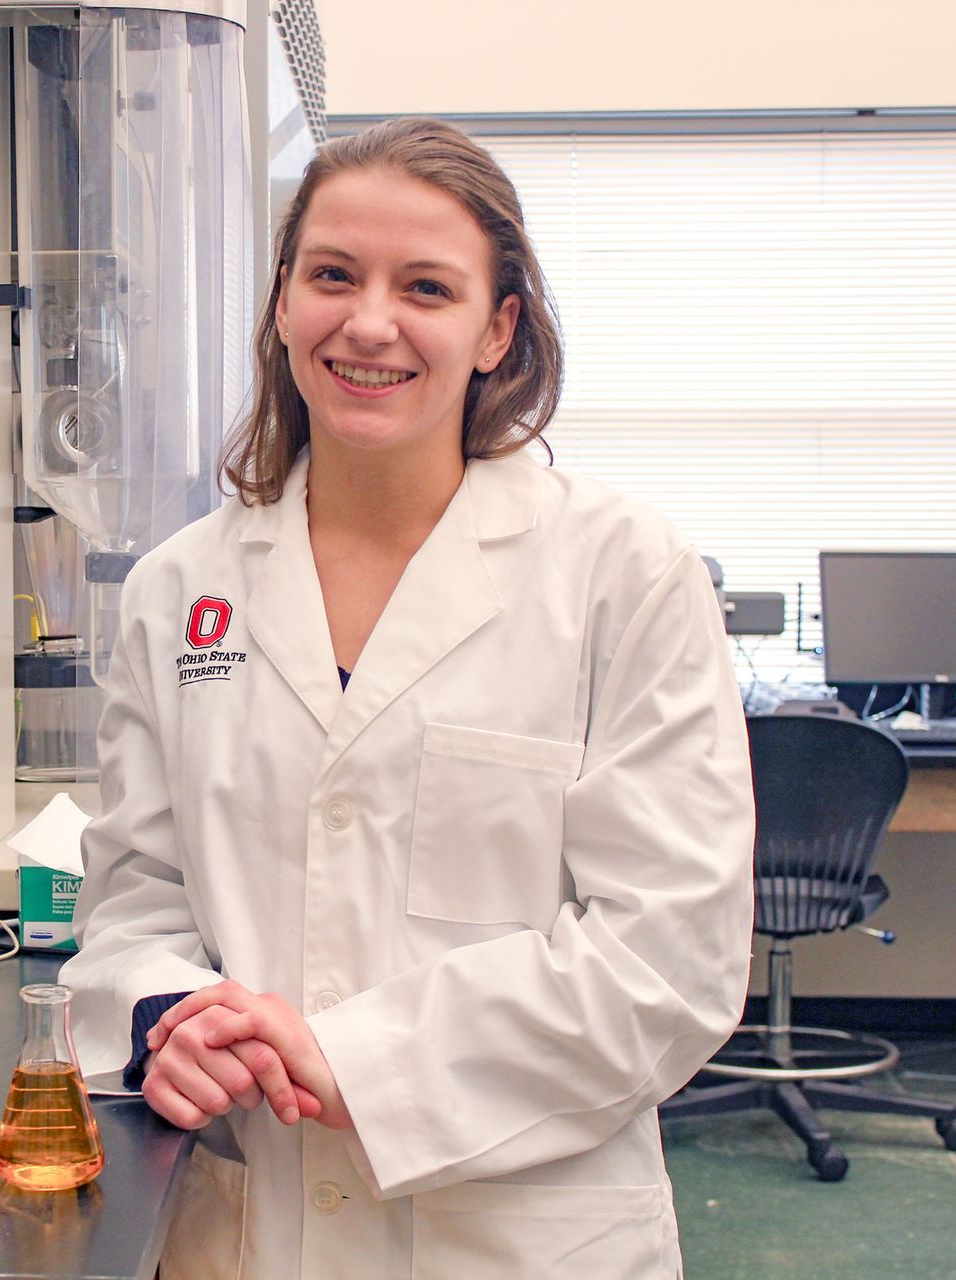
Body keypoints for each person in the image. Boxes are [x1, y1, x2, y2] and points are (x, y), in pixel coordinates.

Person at [57, 117, 755, 1279]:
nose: (368, 321)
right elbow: (139, 895)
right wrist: (158, 1019)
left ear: (496, 330)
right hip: (248, 1223)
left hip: (519, 1232)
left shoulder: (621, 572)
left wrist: (355, 1061)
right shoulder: (181, 590)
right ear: (283, 302)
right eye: (333, 274)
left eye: (425, 286)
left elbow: (666, 957)